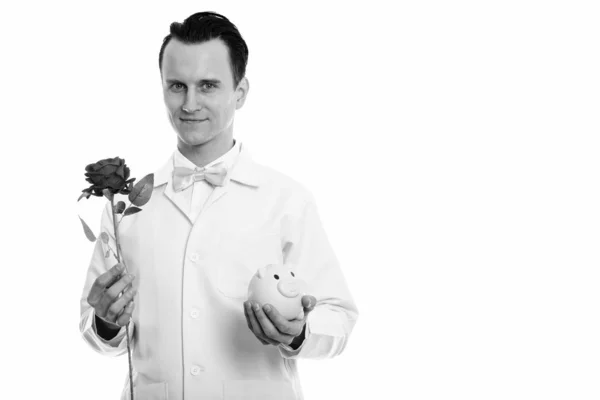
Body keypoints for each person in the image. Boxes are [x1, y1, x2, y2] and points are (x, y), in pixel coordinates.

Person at [79, 11, 358, 400]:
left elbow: (340, 318)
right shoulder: (125, 208)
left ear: (240, 92)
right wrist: (106, 322)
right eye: (177, 86)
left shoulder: (286, 200)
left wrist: (300, 332)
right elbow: (97, 332)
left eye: (208, 85)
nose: (190, 103)